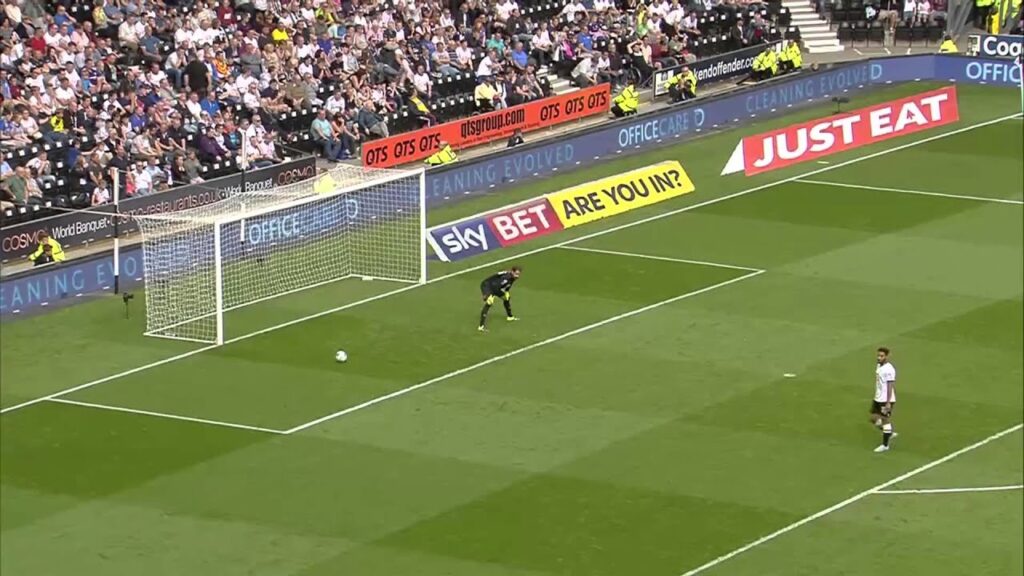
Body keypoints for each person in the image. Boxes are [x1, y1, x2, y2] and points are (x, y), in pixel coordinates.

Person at [871, 347, 898, 453]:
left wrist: (888, 403)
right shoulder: (879, 365)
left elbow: (890, 386)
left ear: (887, 356)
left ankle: (885, 445)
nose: (879, 358)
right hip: (878, 398)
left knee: (884, 420)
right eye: (878, 355)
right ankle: (889, 433)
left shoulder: (889, 369)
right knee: (873, 419)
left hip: (886, 399)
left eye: (882, 356)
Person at [478, 266, 521, 331]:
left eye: (518, 274)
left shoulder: (511, 277)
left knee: (506, 297)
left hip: (495, 286)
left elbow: (507, 285)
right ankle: (481, 327)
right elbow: (496, 287)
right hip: (487, 285)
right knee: (489, 302)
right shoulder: (506, 278)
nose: (517, 276)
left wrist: (505, 292)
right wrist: (487, 295)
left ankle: (510, 317)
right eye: (516, 274)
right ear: (512, 272)